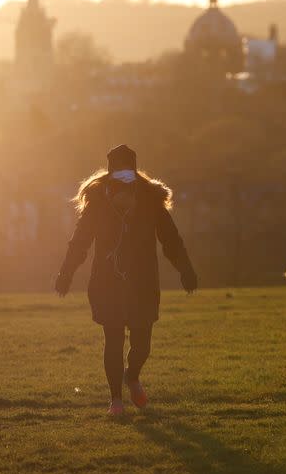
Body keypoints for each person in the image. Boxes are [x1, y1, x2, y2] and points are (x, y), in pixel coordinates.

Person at [54, 145, 198, 416]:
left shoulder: (151, 200)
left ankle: (132, 376)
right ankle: (116, 400)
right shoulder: (97, 202)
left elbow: (170, 238)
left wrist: (185, 269)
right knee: (114, 338)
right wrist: (66, 272)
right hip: (107, 281)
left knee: (142, 344)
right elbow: (80, 241)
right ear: (110, 176)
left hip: (143, 281)